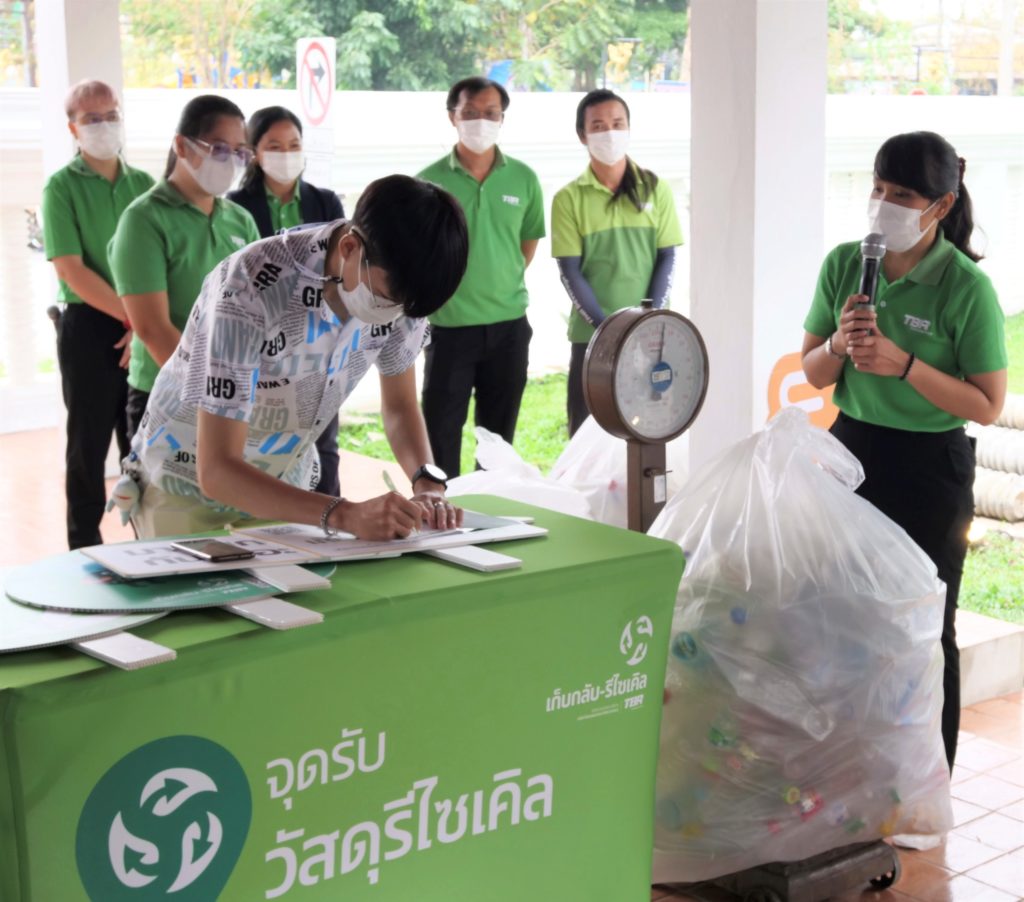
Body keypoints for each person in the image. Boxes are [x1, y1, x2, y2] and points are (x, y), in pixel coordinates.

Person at [801, 131, 1007, 771]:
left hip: (929, 467)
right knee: (842, 613)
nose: (883, 205)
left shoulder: (965, 286)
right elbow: (812, 371)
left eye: (903, 196)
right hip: (851, 452)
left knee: (924, 626)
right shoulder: (845, 262)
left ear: (941, 206)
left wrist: (905, 364)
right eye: (878, 188)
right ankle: (852, 770)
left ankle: (926, 783)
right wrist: (839, 345)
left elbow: (987, 403)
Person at [124, 174, 469, 542]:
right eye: (386, 299)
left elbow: (400, 406)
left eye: (406, 309)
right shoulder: (249, 286)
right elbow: (217, 470)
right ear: (350, 247)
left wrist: (427, 482)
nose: (394, 315)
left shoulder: (402, 290)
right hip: (185, 487)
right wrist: (345, 514)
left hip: (284, 488)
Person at [41, 79, 154, 549]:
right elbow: (71, 268)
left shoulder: (145, 185)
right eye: (92, 119)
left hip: (145, 325)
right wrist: (134, 320)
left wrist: (143, 326)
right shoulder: (61, 187)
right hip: (88, 325)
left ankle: (153, 546)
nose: (104, 125)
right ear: (73, 128)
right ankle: (83, 550)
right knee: (87, 448)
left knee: (144, 446)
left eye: (111, 115)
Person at [109, 94, 260, 437]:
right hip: (165, 391)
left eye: (240, 152)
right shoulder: (144, 219)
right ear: (181, 145)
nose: (230, 161)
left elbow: (256, 307)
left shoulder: (239, 219)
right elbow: (152, 328)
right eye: (219, 148)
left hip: (230, 394)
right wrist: (208, 393)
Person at [417, 76, 545, 477]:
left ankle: (490, 506)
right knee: (440, 436)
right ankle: (440, 506)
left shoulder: (523, 178)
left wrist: (497, 280)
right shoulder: (427, 183)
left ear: (502, 118)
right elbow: (418, 252)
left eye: (491, 113)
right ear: (452, 116)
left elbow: (526, 244)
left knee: (498, 441)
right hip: (449, 329)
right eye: (470, 112)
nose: (481, 122)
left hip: (509, 328)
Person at [228, 105, 346, 498]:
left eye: (294, 145)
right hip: (260, 348)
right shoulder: (236, 206)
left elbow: (340, 272)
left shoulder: (325, 203)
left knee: (323, 443)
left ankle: (330, 516)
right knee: (261, 444)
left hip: (316, 343)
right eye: (275, 146)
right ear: (254, 152)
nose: (286, 154)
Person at [551, 89, 683, 437]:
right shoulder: (568, 198)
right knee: (587, 436)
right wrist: (607, 331)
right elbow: (570, 271)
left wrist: (647, 322)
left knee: (651, 428)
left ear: (628, 129)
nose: (609, 132)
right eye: (598, 125)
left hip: (653, 337)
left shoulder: (655, 188)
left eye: (617, 123)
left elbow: (667, 257)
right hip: (592, 338)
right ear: (582, 135)